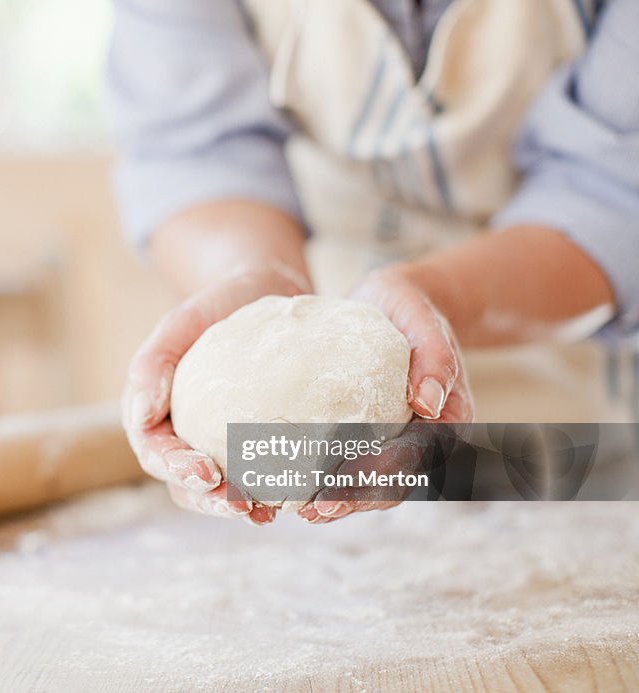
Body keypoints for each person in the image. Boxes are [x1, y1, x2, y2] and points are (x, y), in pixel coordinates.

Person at [108, 0, 639, 525]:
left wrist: (435, 297)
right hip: (320, 459)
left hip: (570, 426)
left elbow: (615, 189)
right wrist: (252, 286)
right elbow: (198, 149)